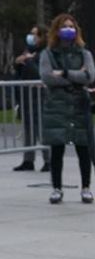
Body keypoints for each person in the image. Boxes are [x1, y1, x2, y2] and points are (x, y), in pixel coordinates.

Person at [39, 14, 95, 204]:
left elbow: (89, 76)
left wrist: (64, 73)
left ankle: (86, 187)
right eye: (64, 27)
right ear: (57, 30)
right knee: (57, 148)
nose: (68, 30)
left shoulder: (84, 53)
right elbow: (47, 77)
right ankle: (57, 187)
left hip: (79, 104)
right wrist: (75, 76)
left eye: (71, 26)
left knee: (83, 148)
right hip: (57, 105)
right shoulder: (48, 54)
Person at [12, 24, 50, 172]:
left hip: (39, 95)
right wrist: (19, 62)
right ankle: (28, 160)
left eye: (35, 34)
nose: (32, 37)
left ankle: (48, 160)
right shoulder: (30, 51)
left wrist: (28, 60)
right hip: (26, 96)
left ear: (42, 37)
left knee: (41, 128)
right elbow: (23, 70)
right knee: (28, 129)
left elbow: (38, 73)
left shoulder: (45, 52)